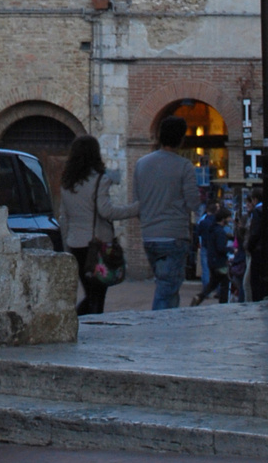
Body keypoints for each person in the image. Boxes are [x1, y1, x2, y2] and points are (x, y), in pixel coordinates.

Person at [58, 134, 139, 315]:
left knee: (90, 292)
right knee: (98, 294)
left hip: (75, 244)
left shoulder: (66, 182)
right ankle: (85, 323)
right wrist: (134, 209)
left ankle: (82, 322)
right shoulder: (100, 180)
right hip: (97, 245)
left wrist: (66, 244)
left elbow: (64, 216)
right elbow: (106, 211)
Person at [133, 114, 202, 309]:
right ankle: (159, 329)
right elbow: (193, 202)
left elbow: (137, 202)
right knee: (167, 288)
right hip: (174, 235)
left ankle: (171, 329)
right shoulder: (184, 166)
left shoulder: (141, 164)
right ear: (181, 138)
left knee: (168, 287)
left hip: (149, 236)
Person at [191, 205, 232, 304]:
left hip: (212, 260)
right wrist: (231, 249)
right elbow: (221, 248)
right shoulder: (220, 232)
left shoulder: (212, 229)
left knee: (213, 283)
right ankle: (223, 303)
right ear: (223, 219)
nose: (230, 220)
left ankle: (200, 296)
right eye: (228, 218)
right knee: (224, 283)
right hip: (219, 262)